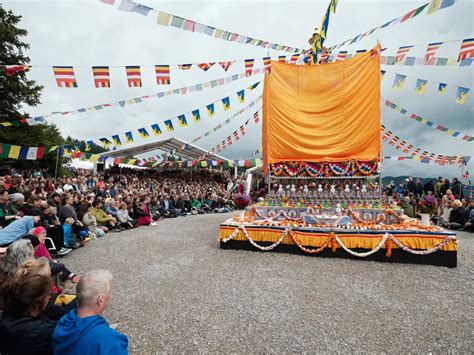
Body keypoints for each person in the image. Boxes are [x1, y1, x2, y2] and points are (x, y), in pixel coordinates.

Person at [53, 270, 128, 354]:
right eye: (109, 292)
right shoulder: (111, 341)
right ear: (100, 300)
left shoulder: (63, 324)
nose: (111, 296)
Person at [0, 261, 56, 354]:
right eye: (48, 295)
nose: (49, 297)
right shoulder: (42, 332)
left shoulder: (9, 313)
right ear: (37, 302)